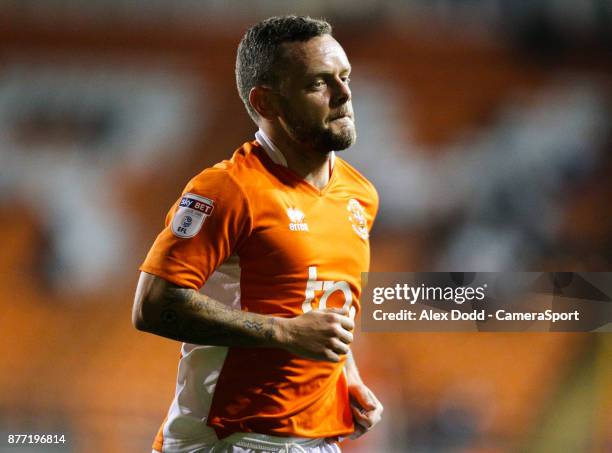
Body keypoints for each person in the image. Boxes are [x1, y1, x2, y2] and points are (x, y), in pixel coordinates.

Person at [133, 15, 383, 453]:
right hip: (231, 438)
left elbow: (317, 306)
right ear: (267, 104)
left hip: (319, 439)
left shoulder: (359, 194)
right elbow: (153, 306)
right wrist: (286, 334)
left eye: (344, 77)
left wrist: (347, 375)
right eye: (318, 84)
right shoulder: (228, 189)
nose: (344, 95)